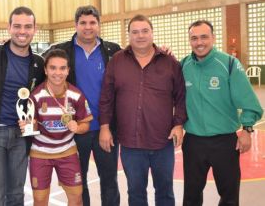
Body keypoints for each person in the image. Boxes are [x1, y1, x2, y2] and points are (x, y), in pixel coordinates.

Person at [99, 14, 187, 206]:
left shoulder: (170, 63)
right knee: (136, 193)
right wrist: (104, 126)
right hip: (131, 144)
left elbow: (181, 97)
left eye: (145, 31)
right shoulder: (117, 61)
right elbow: (106, 97)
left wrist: (178, 123)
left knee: (165, 192)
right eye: (135, 32)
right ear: (128, 35)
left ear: (152, 33)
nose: (140, 36)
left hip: (162, 142)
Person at [44, 5, 121, 206]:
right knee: (78, 182)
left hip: (106, 129)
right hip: (75, 130)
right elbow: (37, 71)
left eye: (92, 22)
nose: (88, 27)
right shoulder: (61, 51)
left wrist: (162, 50)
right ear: (75, 25)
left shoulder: (113, 51)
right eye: (83, 23)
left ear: (99, 24)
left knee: (110, 180)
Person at [181, 20, 263, 206]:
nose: (199, 42)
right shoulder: (184, 65)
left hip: (225, 143)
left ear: (213, 38)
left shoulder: (229, 63)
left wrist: (247, 129)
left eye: (204, 37)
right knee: (191, 196)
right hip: (193, 142)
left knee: (229, 196)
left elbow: (249, 101)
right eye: (194, 38)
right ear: (189, 41)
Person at [0, 6, 45, 206]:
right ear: (9, 27)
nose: (22, 31)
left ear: (35, 29)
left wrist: (35, 121)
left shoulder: (39, 63)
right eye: (17, 26)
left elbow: (43, 99)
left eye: (27, 26)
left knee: (16, 194)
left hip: (22, 135)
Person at [20, 49, 93, 206]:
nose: (57, 73)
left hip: (67, 152)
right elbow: (31, 126)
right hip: (40, 153)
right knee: (39, 200)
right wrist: (28, 126)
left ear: (68, 70)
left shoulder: (76, 95)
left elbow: (86, 124)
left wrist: (78, 128)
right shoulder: (35, 96)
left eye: (62, 68)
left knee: (76, 197)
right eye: (53, 68)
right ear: (46, 70)